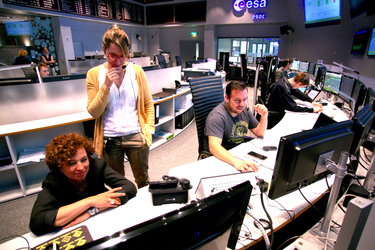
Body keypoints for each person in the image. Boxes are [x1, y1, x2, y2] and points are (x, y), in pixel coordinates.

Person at [86, 24, 154, 188]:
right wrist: (106, 86)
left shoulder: (136, 71)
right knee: (117, 184)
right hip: (110, 139)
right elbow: (94, 112)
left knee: (143, 180)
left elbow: (148, 102)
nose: (118, 61)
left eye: (123, 56)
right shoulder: (94, 74)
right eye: (112, 56)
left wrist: (149, 130)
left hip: (136, 135)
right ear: (104, 50)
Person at [29, 133, 137, 236]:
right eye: (71, 163)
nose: (81, 168)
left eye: (84, 160)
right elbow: (37, 223)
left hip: (106, 221)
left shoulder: (97, 165)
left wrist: (91, 212)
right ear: (60, 167)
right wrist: (90, 201)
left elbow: (129, 188)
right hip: (76, 230)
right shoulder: (53, 182)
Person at [205, 80, 268, 172]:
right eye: (237, 100)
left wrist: (264, 116)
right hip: (223, 158)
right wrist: (236, 162)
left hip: (239, 153)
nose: (241, 104)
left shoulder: (244, 110)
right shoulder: (217, 116)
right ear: (227, 98)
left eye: (244, 99)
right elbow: (214, 146)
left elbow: (259, 132)